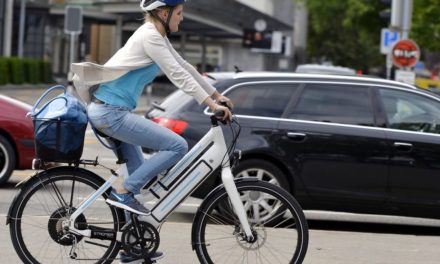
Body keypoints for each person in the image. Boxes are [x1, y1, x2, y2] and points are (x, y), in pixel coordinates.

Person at [71, 0, 233, 262]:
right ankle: (123, 193)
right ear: (163, 12)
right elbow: (177, 76)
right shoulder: (150, 36)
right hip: (111, 113)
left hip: (112, 111)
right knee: (177, 146)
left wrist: (216, 95)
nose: (181, 19)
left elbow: (185, 67)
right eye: (179, 14)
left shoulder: (157, 35)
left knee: (138, 180)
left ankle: (131, 247)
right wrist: (211, 105)